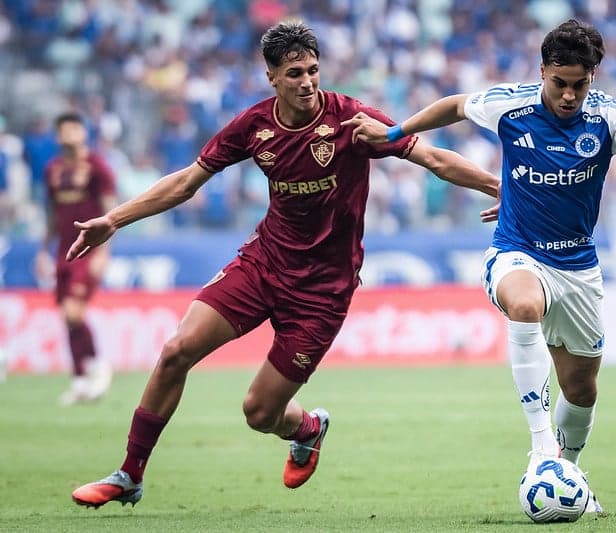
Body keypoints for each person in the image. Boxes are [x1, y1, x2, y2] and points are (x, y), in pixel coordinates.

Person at [69, 20, 499, 508]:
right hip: (264, 263)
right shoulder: (253, 126)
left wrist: (499, 187)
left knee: (259, 412)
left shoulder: (352, 119)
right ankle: (130, 474)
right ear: (271, 76)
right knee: (176, 350)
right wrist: (114, 219)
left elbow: (434, 158)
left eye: (313, 70)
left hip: (323, 292)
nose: (307, 82)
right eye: (295, 73)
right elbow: (186, 183)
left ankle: (308, 427)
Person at [344, 19, 616, 513]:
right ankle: (542, 448)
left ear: (593, 78)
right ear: (542, 70)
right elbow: (453, 106)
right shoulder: (511, 104)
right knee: (524, 305)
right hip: (517, 250)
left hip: (578, 267)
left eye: (580, 85)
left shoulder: (612, 118)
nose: (569, 96)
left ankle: (567, 470)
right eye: (560, 83)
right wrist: (393, 132)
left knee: (582, 389)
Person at [36, 112, 116, 406]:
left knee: (74, 313)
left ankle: (97, 366)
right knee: (66, 317)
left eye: (73, 128)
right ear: (57, 136)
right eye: (63, 130)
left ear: (83, 132)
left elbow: (111, 213)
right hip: (62, 251)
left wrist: (104, 252)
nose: (68, 134)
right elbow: (52, 215)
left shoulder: (97, 167)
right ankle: (80, 380)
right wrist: (43, 250)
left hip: (88, 249)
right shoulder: (52, 169)